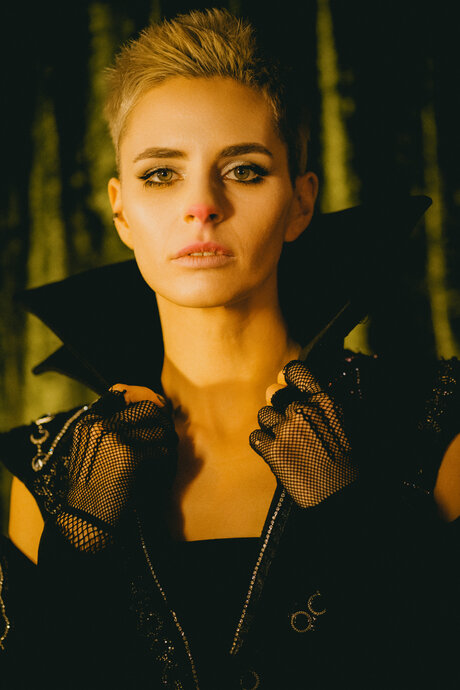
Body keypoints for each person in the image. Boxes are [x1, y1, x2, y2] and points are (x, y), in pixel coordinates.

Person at [1, 7, 460, 689]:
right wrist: (81, 539)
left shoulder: (431, 420)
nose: (203, 206)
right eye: (162, 174)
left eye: (243, 170)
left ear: (300, 202)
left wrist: (352, 518)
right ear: (120, 210)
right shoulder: (45, 469)